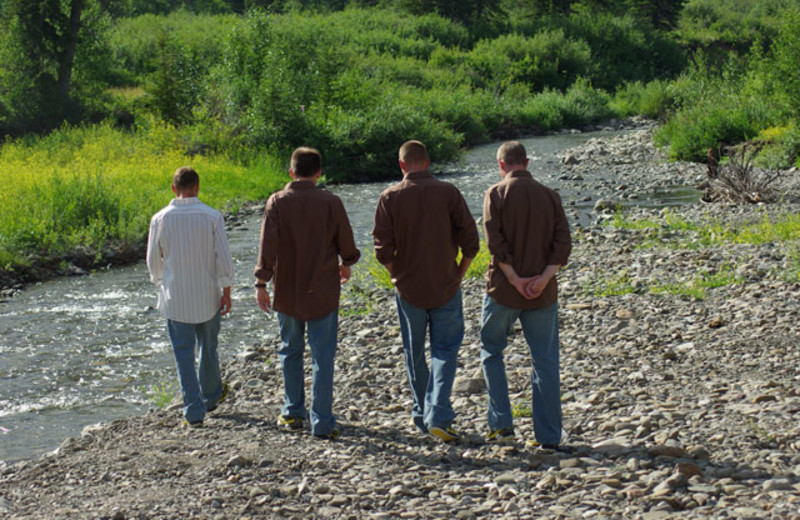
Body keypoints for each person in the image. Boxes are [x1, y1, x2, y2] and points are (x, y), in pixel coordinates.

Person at [372, 140, 480, 442]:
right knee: (445, 351)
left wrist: (396, 275)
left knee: (414, 352)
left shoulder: (389, 197)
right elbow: (471, 241)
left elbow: (382, 249)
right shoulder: (449, 192)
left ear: (402, 165)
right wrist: (459, 273)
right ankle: (438, 415)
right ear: (428, 162)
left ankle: (423, 414)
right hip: (445, 284)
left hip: (408, 289)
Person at [254, 146, 360, 440]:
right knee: (323, 356)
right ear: (319, 173)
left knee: (290, 350)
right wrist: (347, 262)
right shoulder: (331, 201)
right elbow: (347, 245)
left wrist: (261, 283)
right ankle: (322, 421)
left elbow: (267, 247)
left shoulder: (276, 202)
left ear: (291, 172)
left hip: (286, 289)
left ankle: (292, 412)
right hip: (323, 289)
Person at [479, 141, 572, 450]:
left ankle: (502, 425)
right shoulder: (550, 195)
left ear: (502, 165)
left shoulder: (495, 193)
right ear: (527, 162)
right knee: (545, 360)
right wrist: (543, 278)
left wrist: (515, 280)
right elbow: (562, 244)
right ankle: (548, 436)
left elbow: (495, 242)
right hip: (542, 293)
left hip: (504, 290)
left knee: (492, 350)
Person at [146, 166, 234, 427]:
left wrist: (161, 282)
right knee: (208, 348)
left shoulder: (160, 218)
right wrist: (226, 290)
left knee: (183, 353)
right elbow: (223, 257)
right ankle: (210, 396)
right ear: (197, 187)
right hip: (208, 294)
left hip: (176, 298)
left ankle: (193, 411)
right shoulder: (212, 216)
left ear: (174, 188)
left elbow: (153, 261)